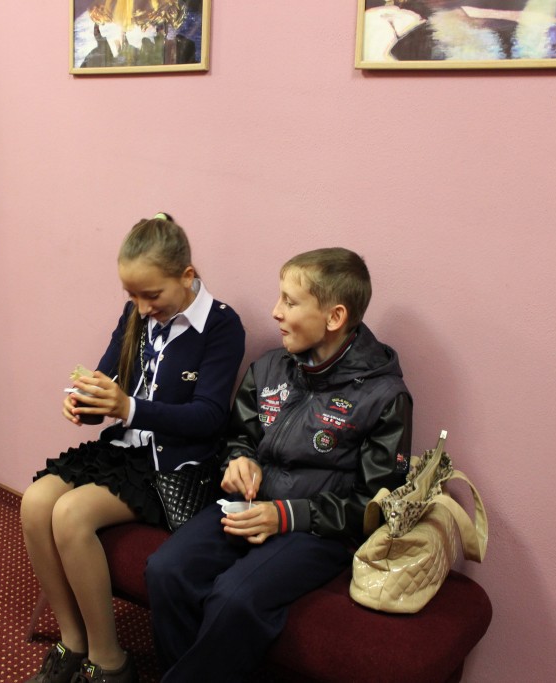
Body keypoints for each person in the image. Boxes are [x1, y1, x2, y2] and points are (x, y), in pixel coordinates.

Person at [146, 247, 412, 683]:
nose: (275, 311)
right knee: (166, 570)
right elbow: (238, 437)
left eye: (290, 301)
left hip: (316, 532)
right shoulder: (270, 367)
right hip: (248, 507)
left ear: (334, 317)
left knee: (234, 599)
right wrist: (240, 460)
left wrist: (287, 515)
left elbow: (375, 505)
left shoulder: (385, 397)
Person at [20, 213, 245, 683]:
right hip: (125, 451)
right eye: (132, 295)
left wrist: (129, 408)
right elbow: (107, 380)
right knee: (35, 502)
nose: (141, 308)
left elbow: (208, 417)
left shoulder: (221, 325)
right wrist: (85, 403)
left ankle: (109, 662)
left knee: (70, 514)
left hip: (174, 466)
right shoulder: (135, 316)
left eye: (152, 295)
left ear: (186, 276)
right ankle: (72, 641)